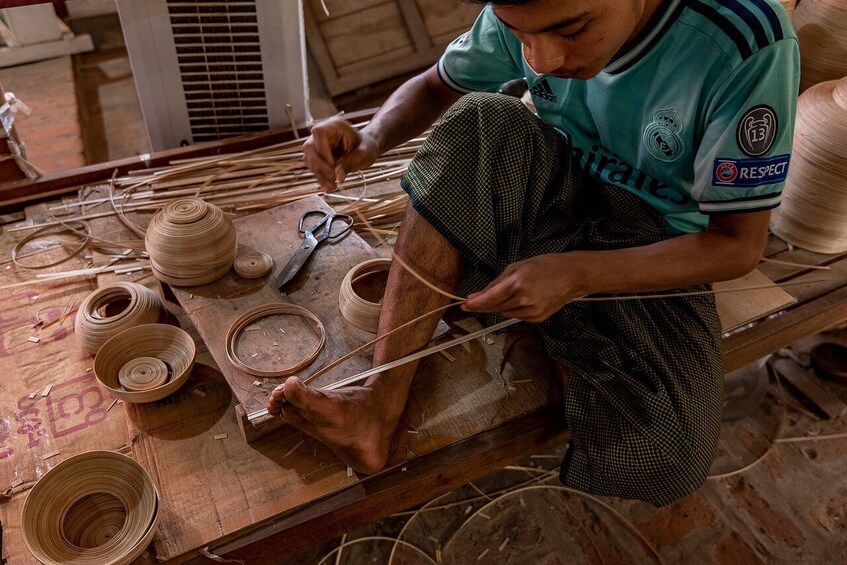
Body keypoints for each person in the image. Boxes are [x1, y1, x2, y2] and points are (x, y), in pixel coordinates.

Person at [268, 0, 799, 506]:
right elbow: (436, 85)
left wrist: (579, 275)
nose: (541, 60)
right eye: (520, 35)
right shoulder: (527, 13)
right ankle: (377, 404)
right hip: (552, 184)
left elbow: (736, 245)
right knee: (481, 119)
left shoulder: (743, 40)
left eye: (572, 29)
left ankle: (548, 323)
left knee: (664, 458)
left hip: (656, 243)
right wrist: (372, 137)